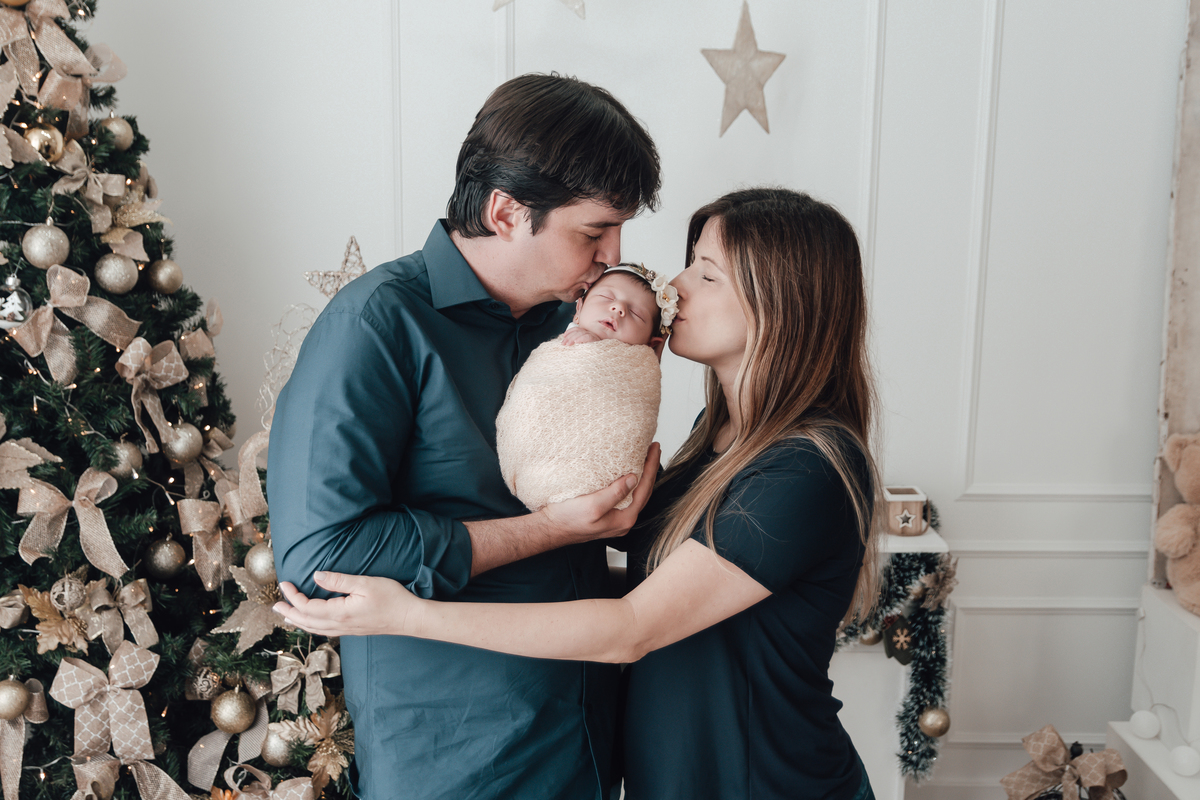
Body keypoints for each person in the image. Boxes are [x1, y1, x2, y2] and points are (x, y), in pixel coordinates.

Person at [276, 187, 882, 800]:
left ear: (782, 306)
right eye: (688, 264)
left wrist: (411, 615)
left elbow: (633, 627)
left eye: (707, 274)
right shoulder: (720, 435)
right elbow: (673, 591)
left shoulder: (808, 466)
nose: (675, 287)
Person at [266, 73, 661, 800]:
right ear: (507, 212)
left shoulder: (574, 328)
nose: (612, 255)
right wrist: (550, 529)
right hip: (457, 760)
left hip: (586, 741)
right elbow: (320, 559)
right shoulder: (375, 324)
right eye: (593, 232)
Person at [496, 262, 678, 513]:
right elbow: (535, 391)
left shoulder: (636, 367)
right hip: (539, 461)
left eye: (636, 313)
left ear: (651, 344)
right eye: (607, 298)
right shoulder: (560, 346)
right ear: (578, 310)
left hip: (601, 474)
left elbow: (631, 414)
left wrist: (599, 350)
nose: (618, 309)